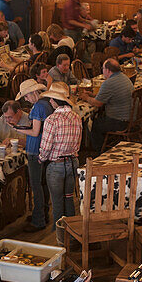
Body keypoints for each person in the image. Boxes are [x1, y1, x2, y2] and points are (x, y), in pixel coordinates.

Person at [37, 82, 81, 242]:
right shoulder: (77, 117)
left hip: (56, 165)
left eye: (51, 99)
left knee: (57, 202)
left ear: (56, 101)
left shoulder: (51, 120)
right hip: (72, 162)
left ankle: (60, 238)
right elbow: (78, 143)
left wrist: (41, 158)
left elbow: (46, 146)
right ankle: (74, 235)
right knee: (69, 197)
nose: (49, 101)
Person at [12, 79, 52, 233]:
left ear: (33, 93)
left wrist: (18, 129)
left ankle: (38, 220)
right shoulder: (48, 104)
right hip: (45, 147)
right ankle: (43, 214)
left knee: (36, 185)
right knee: (43, 184)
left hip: (35, 148)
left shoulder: (37, 108)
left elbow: (35, 132)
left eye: (26, 96)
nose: (26, 99)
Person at [79, 59, 134, 152]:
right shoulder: (124, 78)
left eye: (103, 68)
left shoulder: (108, 83)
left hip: (119, 122)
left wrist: (86, 98)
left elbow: (98, 103)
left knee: (93, 124)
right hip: (130, 118)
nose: (102, 70)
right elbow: (108, 95)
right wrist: (93, 95)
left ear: (108, 70)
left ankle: (98, 151)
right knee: (99, 117)